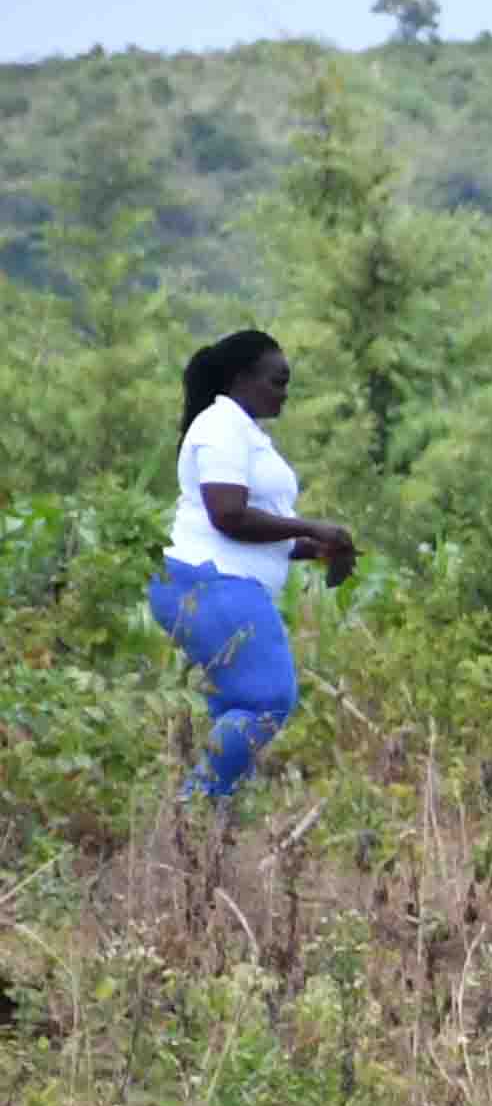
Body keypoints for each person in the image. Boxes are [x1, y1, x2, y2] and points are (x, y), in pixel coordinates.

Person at [146, 329, 354, 808]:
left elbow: (255, 535)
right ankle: (193, 811)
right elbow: (228, 515)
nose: (284, 393)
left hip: (216, 580)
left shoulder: (241, 431)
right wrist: (315, 525)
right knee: (266, 700)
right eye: (277, 381)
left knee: (235, 708)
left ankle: (208, 834)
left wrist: (321, 547)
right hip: (210, 582)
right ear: (241, 378)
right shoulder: (220, 425)